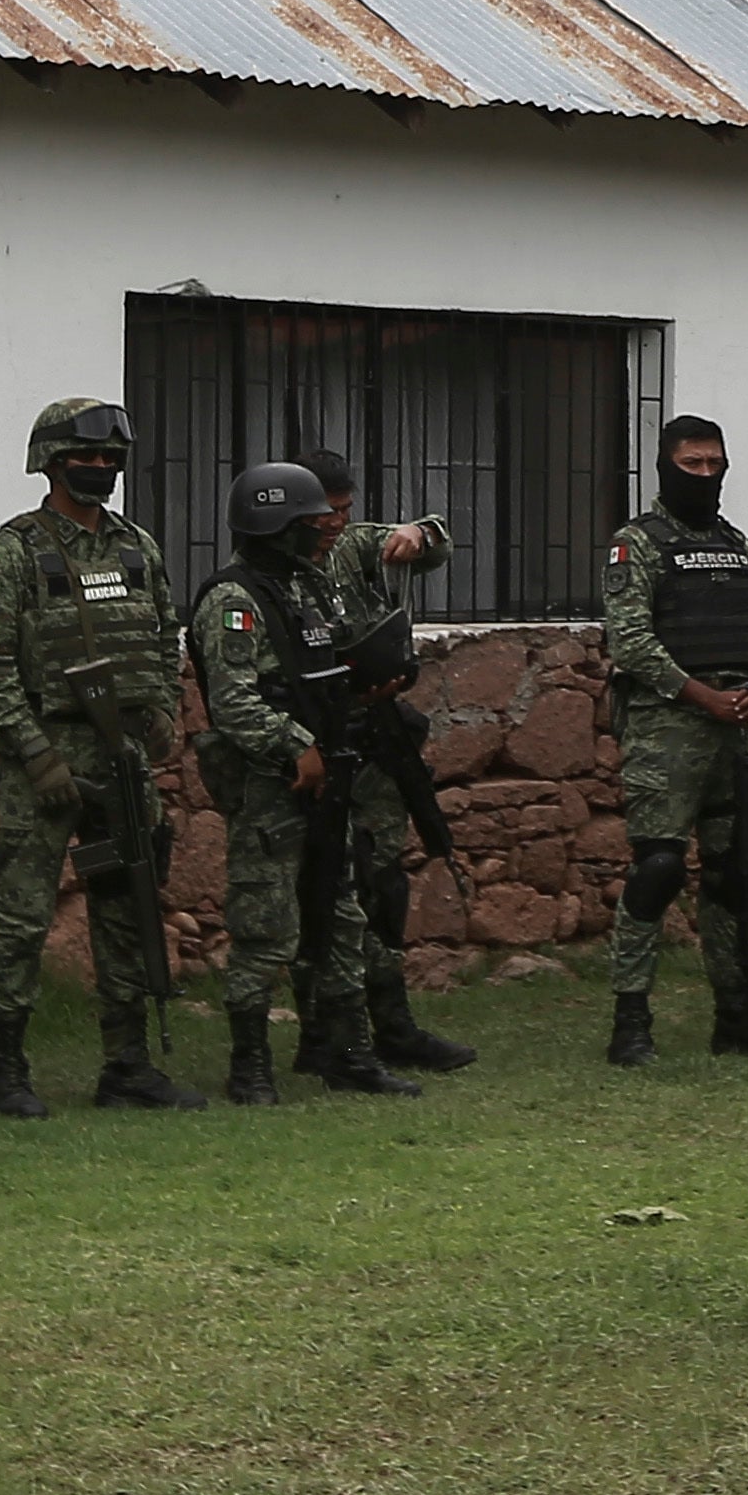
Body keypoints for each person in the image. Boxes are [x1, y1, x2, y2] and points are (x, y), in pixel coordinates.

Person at [0, 395, 201, 1116]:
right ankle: (5, 1069)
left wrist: (162, 709)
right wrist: (36, 756)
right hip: (48, 755)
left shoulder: (136, 547)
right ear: (51, 464)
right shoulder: (13, 552)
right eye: (85, 458)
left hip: (121, 755)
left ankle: (127, 1066)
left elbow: (164, 635)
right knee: (24, 916)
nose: (100, 469)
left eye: (110, 459)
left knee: (127, 909)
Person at [193, 458, 413, 1104]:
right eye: (311, 521)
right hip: (272, 786)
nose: (325, 531)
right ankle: (249, 1066)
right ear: (274, 526)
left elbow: (334, 656)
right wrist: (297, 747)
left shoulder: (309, 588)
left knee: (341, 918)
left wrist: (376, 678)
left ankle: (348, 1055)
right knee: (265, 928)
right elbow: (233, 703)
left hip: (331, 777)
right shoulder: (233, 601)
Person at [600, 412, 748, 1070]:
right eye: (693, 464)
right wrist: (699, 695)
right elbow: (630, 641)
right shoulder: (639, 543)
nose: (705, 476)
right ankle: (631, 1022)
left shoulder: (738, 546)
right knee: (657, 871)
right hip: (667, 728)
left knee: (734, 876)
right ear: (665, 466)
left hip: (736, 728)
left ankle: (739, 1016)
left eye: (715, 465)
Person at [294, 448, 477, 1077]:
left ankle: (392, 1023)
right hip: (315, 742)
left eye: (345, 510)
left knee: (384, 881)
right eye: (327, 512)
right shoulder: (276, 568)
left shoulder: (353, 548)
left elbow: (436, 543)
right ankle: (322, 1030)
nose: (337, 522)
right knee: (323, 887)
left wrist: (418, 533)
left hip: (378, 739)